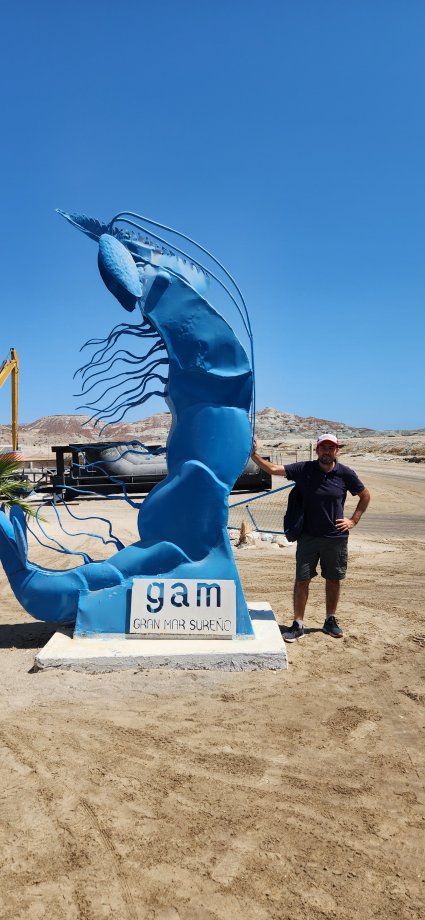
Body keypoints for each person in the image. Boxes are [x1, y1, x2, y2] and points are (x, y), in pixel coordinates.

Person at [251, 434, 370, 641]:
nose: (327, 451)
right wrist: (254, 455)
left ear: (337, 451)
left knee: (333, 579)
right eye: (323, 447)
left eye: (331, 448)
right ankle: (298, 623)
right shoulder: (305, 469)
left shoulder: (345, 474)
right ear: (317, 450)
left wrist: (353, 520)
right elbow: (273, 470)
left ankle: (330, 620)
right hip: (308, 537)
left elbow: (365, 495)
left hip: (336, 538)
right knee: (302, 580)